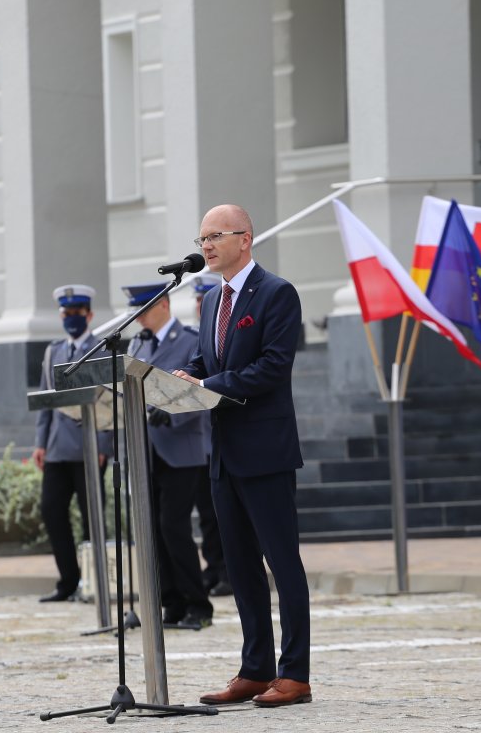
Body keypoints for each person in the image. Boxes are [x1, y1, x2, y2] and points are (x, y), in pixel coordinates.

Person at [173, 204, 311, 708]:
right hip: (223, 454)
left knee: (282, 563)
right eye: (203, 237)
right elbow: (206, 360)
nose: (206, 245)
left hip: (266, 452)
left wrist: (208, 382)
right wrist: (179, 378)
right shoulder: (212, 299)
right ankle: (255, 669)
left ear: (245, 239)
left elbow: (273, 366)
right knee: (240, 567)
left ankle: (294, 674)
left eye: (216, 236)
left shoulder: (277, 293)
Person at [124, 282, 213, 628]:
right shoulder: (137, 344)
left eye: (144, 309)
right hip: (145, 446)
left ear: (163, 305)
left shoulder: (190, 340)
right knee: (153, 531)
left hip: (181, 448)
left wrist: (175, 412)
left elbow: (200, 388)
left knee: (173, 526)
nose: (139, 317)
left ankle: (198, 605)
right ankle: (171, 603)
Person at [33, 284, 109, 603]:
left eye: (77, 314)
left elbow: (109, 400)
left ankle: (94, 583)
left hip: (89, 445)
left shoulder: (101, 349)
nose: (71, 319)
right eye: (66, 314)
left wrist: (104, 444)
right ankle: (68, 580)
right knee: (52, 511)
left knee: (92, 516)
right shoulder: (54, 351)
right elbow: (46, 400)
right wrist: (40, 442)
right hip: (57, 448)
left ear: (89, 315)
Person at [192, 271, 230, 597]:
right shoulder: (203, 329)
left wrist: (200, 383)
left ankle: (227, 572)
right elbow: (196, 366)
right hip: (203, 445)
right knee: (208, 517)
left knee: (222, 517)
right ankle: (215, 568)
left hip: (219, 434)